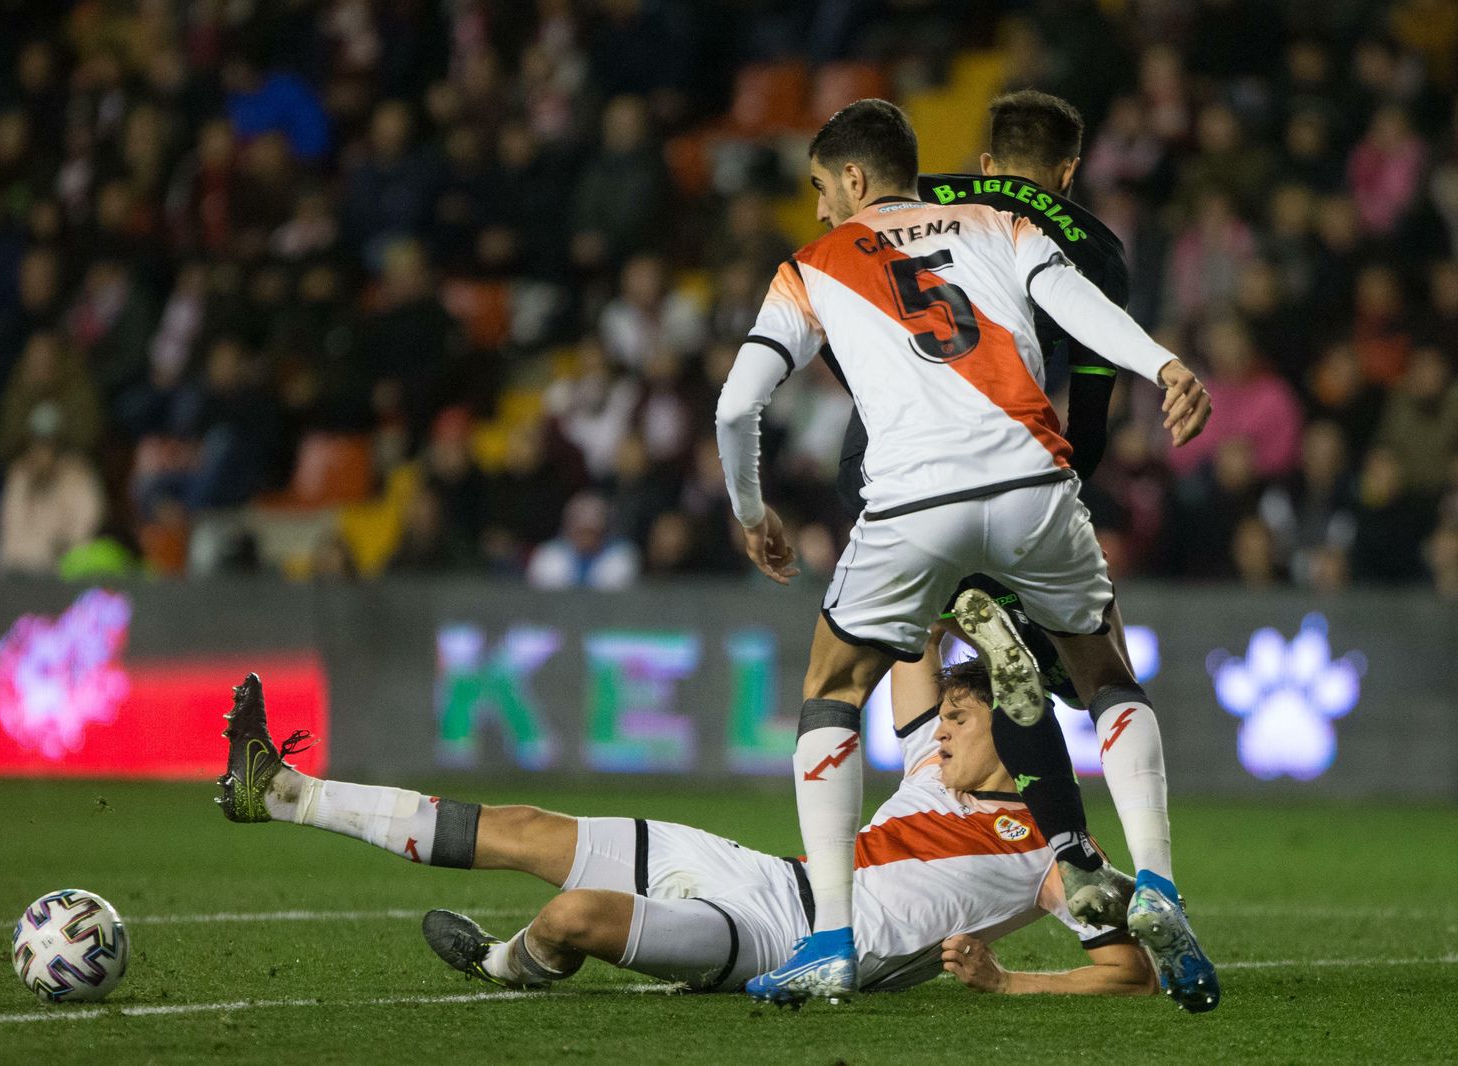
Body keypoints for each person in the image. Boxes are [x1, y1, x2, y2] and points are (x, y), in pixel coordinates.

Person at [713, 98, 1215, 1008]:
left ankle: (831, 938)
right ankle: (1160, 885)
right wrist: (1167, 366)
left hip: (910, 496)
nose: (822, 208)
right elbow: (1085, 310)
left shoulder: (814, 262)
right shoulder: (1000, 222)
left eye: (824, 187)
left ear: (856, 179)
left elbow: (734, 408)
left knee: (833, 688)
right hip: (1032, 482)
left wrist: (752, 510)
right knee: (1105, 675)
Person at [213, 647, 1157, 999]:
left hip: (774, 939)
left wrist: (1007, 981)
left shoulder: (1053, 845)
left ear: (1013, 723)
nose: (938, 729)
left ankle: (508, 965)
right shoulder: (930, 765)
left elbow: (1132, 972)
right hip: (752, 867)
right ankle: (285, 793)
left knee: (573, 918)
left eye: (960, 715)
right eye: (942, 715)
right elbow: (911, 638)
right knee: (526, 826)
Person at [837, 92, 1195, 957]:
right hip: (1018, 467)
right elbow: (1095, 418)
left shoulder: (928, 201)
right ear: (1070, 173)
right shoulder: (1095, 250)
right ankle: (1137, 868)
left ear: (988, 162)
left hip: (893, 462)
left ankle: (1064, 838)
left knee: (862, 673)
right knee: (1092, 670)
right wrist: (1053, 507)